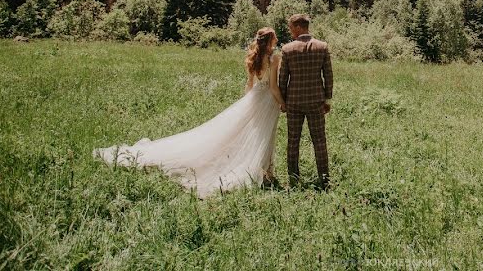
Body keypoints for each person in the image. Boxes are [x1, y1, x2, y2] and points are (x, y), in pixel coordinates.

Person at [92, 27, 285, 198]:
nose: (276, 41)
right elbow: (274, 88)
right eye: (274, 38)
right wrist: (282, 104)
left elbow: (249, 86)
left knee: (250, 135)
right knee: (264, 135)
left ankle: (264, 171)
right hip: (267, 100)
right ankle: (265, 173)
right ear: (270, 41)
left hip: (253, 99)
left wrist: (247, 104)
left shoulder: (254, 58)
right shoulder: (274, 58)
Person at [279, 13, 333, 190]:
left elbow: (282, 78)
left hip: (294, 102)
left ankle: (294, 180)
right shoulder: (322, 47)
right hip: (316, 101)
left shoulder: (287, 49)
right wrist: (327, 98)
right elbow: (328, 75)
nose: (290, 30)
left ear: (299, 27)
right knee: (319, 141)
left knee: (293, 141)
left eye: (291, 27)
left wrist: (283, 101)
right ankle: (324, 180)